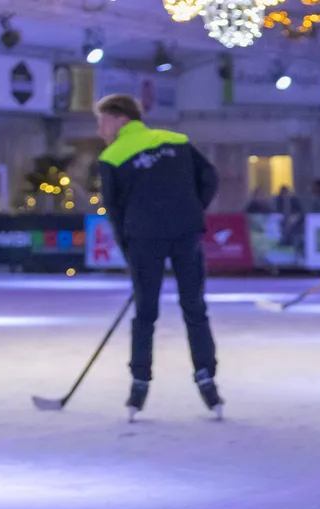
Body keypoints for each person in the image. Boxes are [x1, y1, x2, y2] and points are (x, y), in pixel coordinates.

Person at [96, 93, 222, 421]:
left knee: (145, 314)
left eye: (103, 120)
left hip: (144, 241)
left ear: (121, 118)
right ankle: (206, 375)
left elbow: (114, 211)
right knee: (194, 308)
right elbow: (210, 177)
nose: (100, 129)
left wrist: (130, 255)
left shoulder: (112, 156)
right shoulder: (176, 140)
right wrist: (193, 211)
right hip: (185, 234)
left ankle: (139, 381)